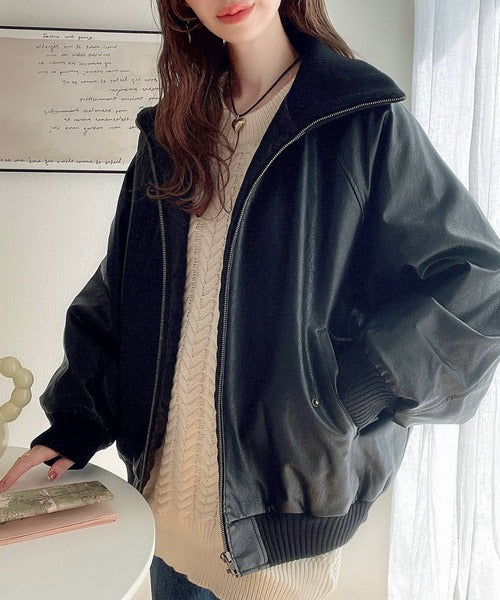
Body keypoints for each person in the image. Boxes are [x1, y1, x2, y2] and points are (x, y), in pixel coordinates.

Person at [1, 1, 500, 598]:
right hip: (162, 518)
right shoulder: (171, 134)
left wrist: (356, 392)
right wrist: (75, 424)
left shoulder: (360, 121)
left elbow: (479, 286)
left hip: (280, 535)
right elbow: (121, 294)